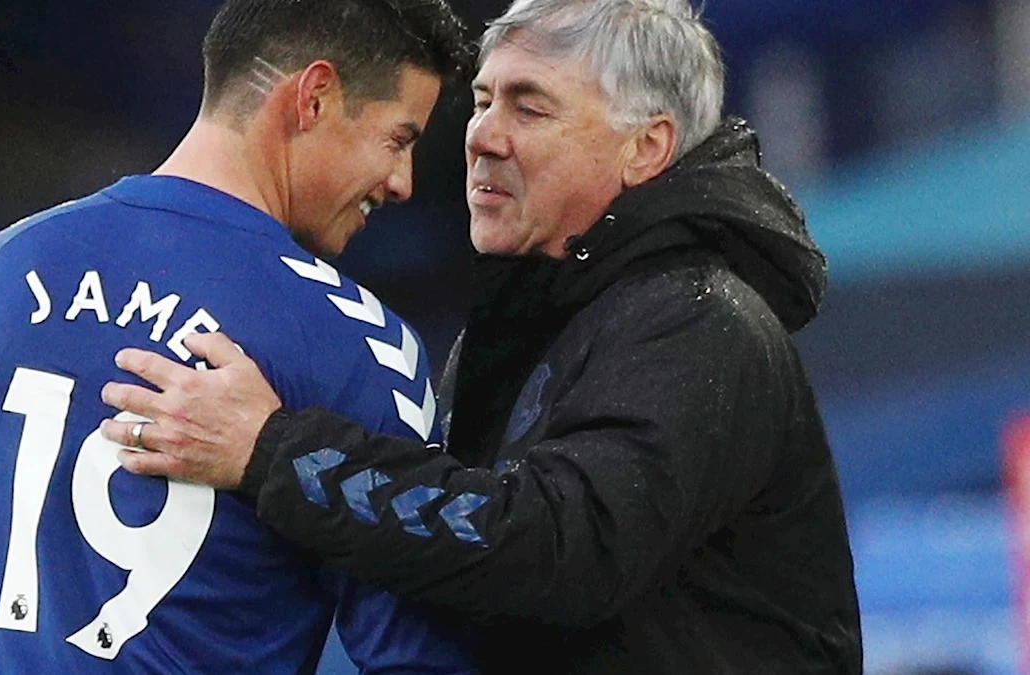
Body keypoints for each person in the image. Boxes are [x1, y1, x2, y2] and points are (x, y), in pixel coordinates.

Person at [102, 0, 865, 672]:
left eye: (529, 109)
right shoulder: (537, 318)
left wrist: (270, 450)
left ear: (647, 149)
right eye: (482, 100)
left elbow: (562, 546)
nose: (482, 137)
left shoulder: (696, 318)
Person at [0, 1, 477, 673]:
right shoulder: (358, 345)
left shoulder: (6, 262)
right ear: (313, 97)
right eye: (399, 140)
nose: (403, 183)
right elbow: (419, 661)